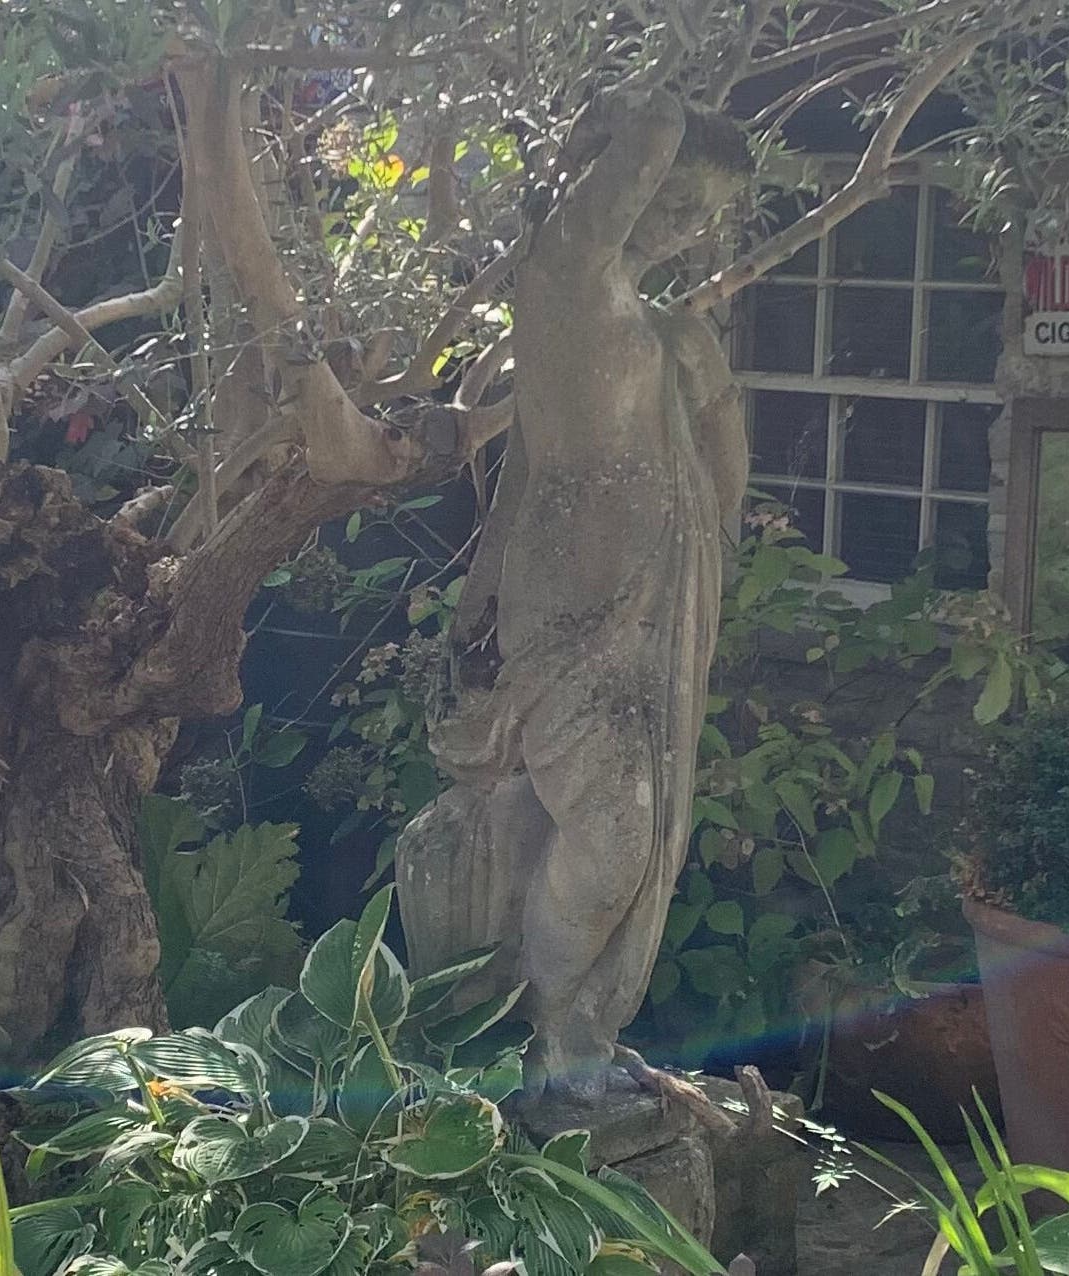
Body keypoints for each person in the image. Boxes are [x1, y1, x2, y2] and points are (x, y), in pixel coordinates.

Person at [399, 86, 751, 1102]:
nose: (691, 217)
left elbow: (711, 495)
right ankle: (547, 1032)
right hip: (572, 604)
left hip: (653, 601)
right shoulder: (561, 278)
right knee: (612, 838)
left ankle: (575, 1034)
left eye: (710, 204)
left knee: (638, 845)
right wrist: (664, 92)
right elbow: (642, 135)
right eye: (679, 191)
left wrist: (711, 380)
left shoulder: (657, 321)